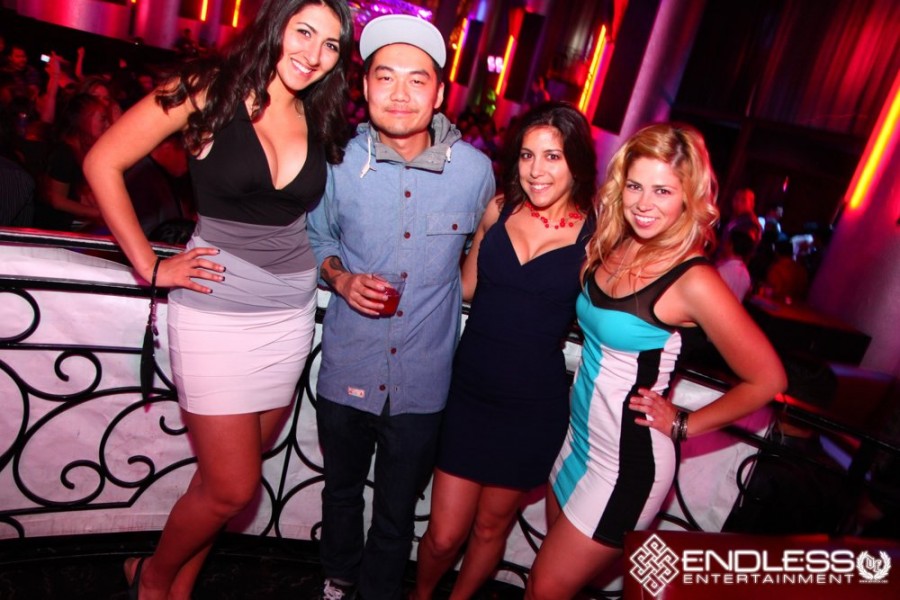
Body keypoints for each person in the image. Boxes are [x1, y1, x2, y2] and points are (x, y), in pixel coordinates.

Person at [83, 1, 353, 598]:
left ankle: (179, 587)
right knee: (234, 487)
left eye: (331, 45)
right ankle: (150, 578)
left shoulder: (317, 112)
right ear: (276, 24)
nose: (313, 54)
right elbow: (103, 161)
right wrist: (150, 265)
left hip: (289, 312)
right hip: (215, 304)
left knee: (219, 482)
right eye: (304, 32)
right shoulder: (209, 86)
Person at [525, 123, 787, 600]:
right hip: (576, 440)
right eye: (635, 186)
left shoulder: (694, 279)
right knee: (548, 580)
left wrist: (685, 423)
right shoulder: (618, 243)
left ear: (689, 196)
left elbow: (767, 378)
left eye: (663, 191)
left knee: (543, 588)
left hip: (626, 465)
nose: (644, 204)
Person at [306, 14, 496, 600]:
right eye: (385, 77)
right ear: (364, 87)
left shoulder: (475, 172)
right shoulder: (336, 160)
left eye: (417, 80)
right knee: (340, 493)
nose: (399, 93)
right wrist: (340, 279)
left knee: (396, 513)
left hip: (423, 380)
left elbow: (486, 251)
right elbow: (316, 238)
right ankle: (338, 579)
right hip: (349, 365)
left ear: (439, 93)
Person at [412, 101, 597, 600]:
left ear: (577, 163)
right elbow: (464, 286)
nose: (536, 170)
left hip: (531, 407)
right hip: (469, 392)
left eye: (553, 157)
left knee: (491, 527)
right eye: (527, 155)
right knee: (444, 533)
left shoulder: (596, 238)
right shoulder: (500, 209)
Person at [39, 93, 111, 230]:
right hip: (54, 230)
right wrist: (98, 214)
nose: (107, 124)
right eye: (102, 119)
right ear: (84, 120)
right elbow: (57, 200)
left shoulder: (84, 151)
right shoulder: (64, 154)